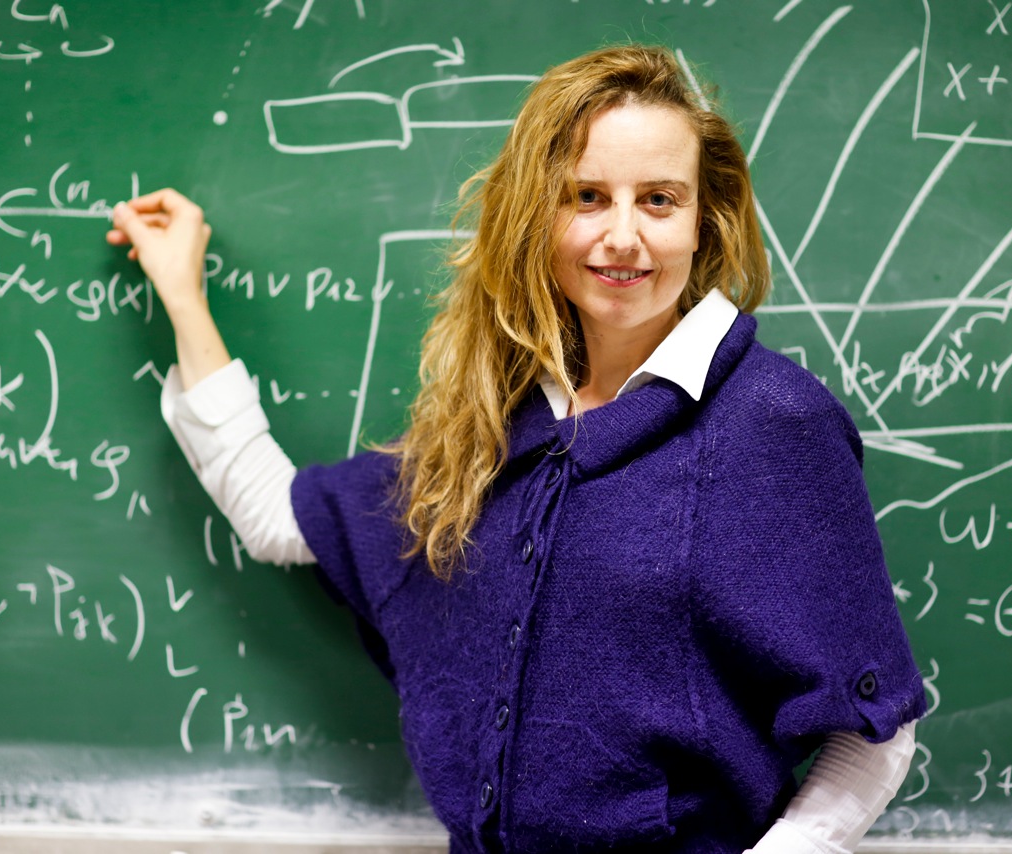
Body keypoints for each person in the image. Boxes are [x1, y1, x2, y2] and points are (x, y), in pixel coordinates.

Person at [107, 44, 926, 854]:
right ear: (538, 212)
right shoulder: (494, 422)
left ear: (704, 218)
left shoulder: (772, 423)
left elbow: (875, 736)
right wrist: (183, 294)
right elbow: (276, 517)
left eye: (659, 200)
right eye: (587, 197)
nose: (623, 236)